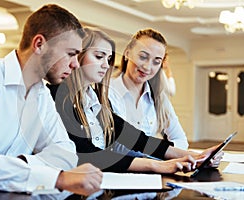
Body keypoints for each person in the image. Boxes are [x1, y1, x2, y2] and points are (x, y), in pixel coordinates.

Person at [0, 4, 102, 196]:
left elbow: (66, 152)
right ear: (39, 44)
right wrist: (57, 178)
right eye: (71, 54)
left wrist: (21, 164)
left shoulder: (42, 95)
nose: (76, 64)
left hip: (9, 193)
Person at [48, 27, 222, 174]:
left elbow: (135, 138)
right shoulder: (57, 96)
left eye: (108, 59)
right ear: (78, 55)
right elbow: (89, 154)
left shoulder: (93, 99)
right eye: (99, 56)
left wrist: (193, 155)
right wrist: (157, 165)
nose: (106, 65)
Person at [109, 28, 188, 150]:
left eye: (156, 62)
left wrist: (166, 153)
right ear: (127, 53)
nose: (147, 67)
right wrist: (162, 152)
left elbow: (180, 139)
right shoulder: (106, 92)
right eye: (143, 57)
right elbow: (115, 146)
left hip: (152, 166)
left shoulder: (159, 97)